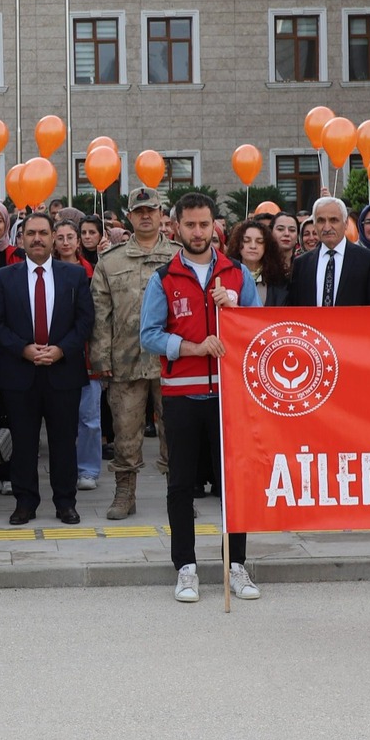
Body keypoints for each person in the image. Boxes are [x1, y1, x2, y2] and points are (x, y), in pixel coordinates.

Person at [139, 193, 260, 603]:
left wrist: (236, 309)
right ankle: (186, 567)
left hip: (228, 395)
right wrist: (193, 348)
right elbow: (148, 335)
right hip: (181, 395)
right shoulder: (164, 277)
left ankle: (236, 564)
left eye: (204, 224)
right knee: (181, 483)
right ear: (176, 227)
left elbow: (260, 331)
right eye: (189, 224)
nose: (197, 232)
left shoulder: (237, 274)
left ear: (215, 227)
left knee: (233, 482)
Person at [0, 213, 95, 526]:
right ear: (21, 238)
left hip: (63, 372)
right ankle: (25, 503)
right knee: (23, 443)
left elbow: (85, 321)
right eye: (31, 233)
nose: (37, 239)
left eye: (43, 233)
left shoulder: (74, 275)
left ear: (53, 238)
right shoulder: (4, 277)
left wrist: (61, 350)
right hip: (20, 373)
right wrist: (23, 349)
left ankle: (65, 503)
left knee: (64, 443)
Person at [89, 186, 176, 521]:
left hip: (171, 360)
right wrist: (101, 360)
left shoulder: (178, 257)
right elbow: (101, 315)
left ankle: (178, 492)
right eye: (139, 212)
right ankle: (125, 493)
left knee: (174, 431)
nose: (145, 216)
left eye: (151, 210)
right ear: (129, 217)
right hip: (126, 360)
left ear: (160, 214)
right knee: (125, 431)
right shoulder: (111, 262)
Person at [53, 220, 104, 492]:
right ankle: (65, 468)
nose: (65, 242)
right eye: (60, 237)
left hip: (86, 355)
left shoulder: (92, 272)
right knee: (62, 419)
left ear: (78, 241)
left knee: (90, 418)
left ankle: (88, 469)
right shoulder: (46, 271)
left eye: (70, 237)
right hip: (57, 355)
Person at [286, 196, 370, 307]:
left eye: (333, 220)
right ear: (315, 225)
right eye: (321, 221)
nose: (327, 228)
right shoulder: (302, 264)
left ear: (346, 223)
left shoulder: (367, 261)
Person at [227, 215, 290, 307]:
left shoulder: (279, 281)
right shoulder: (227, 274)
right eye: (246, 240)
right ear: (237, 244)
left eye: (259, 241)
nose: (253, 246)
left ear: (267, 246)